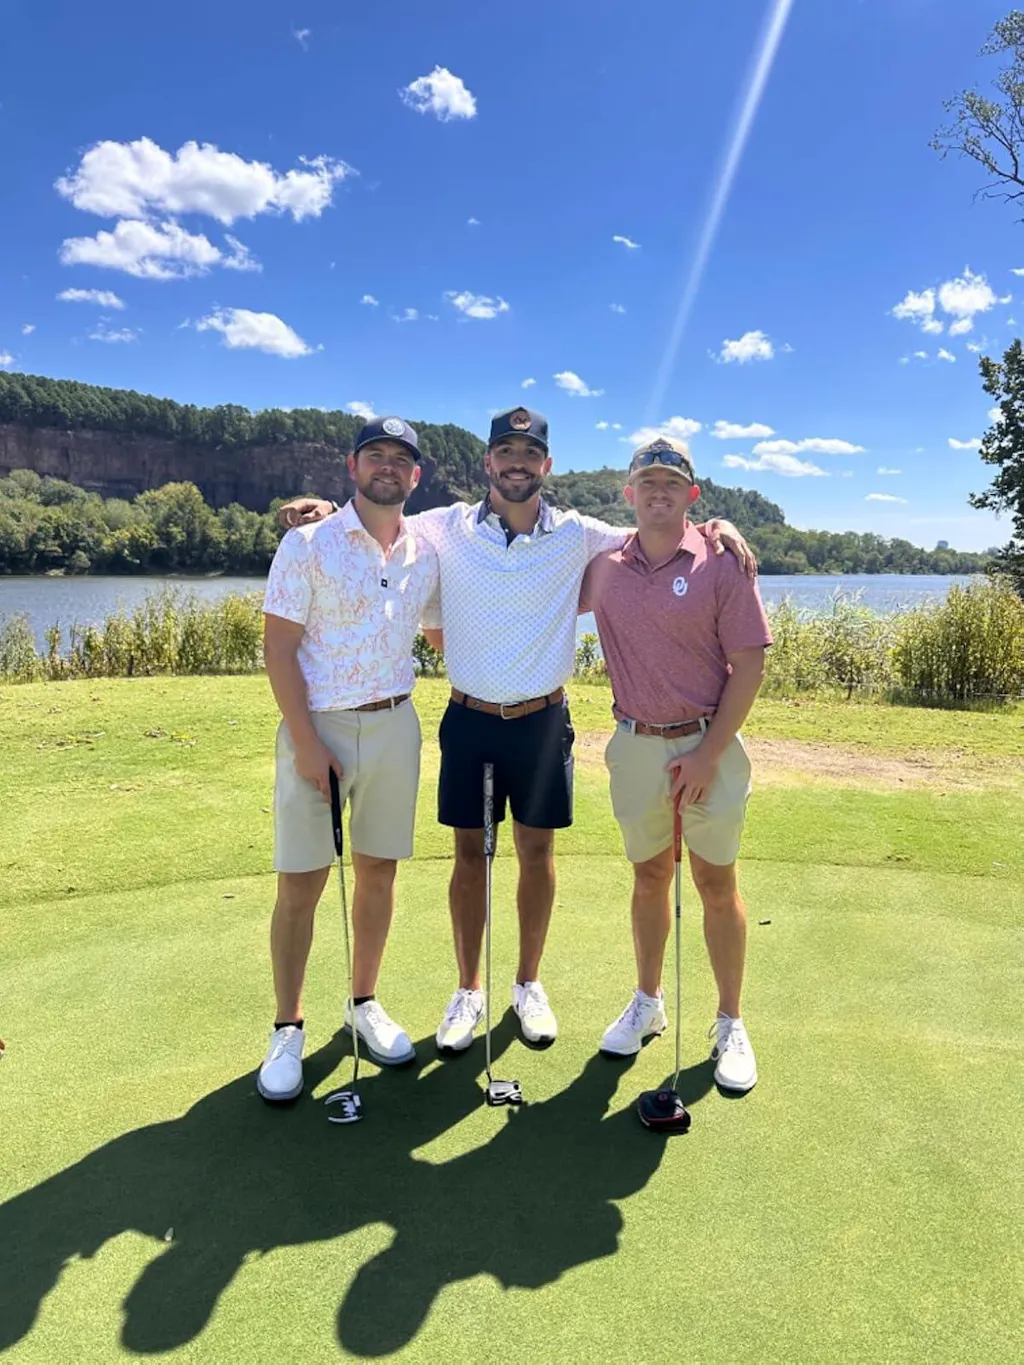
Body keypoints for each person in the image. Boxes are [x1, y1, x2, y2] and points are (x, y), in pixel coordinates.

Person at [279, 408, 754, 1059]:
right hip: (470, 719)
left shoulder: (579, 534)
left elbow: (656, 527)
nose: (517, 463)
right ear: (488, 461)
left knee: (536, 853)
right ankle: (468, 989)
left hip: (543, 721)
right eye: (506, 451)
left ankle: (528, 984)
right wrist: (329, 510)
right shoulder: (444, 526)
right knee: (468, 857)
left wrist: (715, 527)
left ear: (546, 465)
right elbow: (379, 519)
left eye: (530, 453)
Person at [257, 416, 440, 1103]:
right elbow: (278, 649)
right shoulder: (308, 543)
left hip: (395, 724)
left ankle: (363, 1002)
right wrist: (306, 742)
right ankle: (287, 1026)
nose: (387, 466)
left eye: (400, 458)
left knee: (379, 873)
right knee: (301, 882)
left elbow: (446, 628)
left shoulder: (428, 549)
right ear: (352, 465)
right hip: (319, 727)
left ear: (415, 475)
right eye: (374, 455)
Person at [581, 436, 771, 1092]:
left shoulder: (723, 560)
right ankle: (648, 1002)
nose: (658, 492)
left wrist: (707, 755)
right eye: (647, 482)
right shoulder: (604, 565)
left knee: (717, 883)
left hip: (709, 743)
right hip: (635, 744)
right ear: (628, 494)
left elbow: (749, 665)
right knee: (649, 877)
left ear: (692, 494)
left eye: (671, 483)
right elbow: (522, 579)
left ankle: (730, 1020)